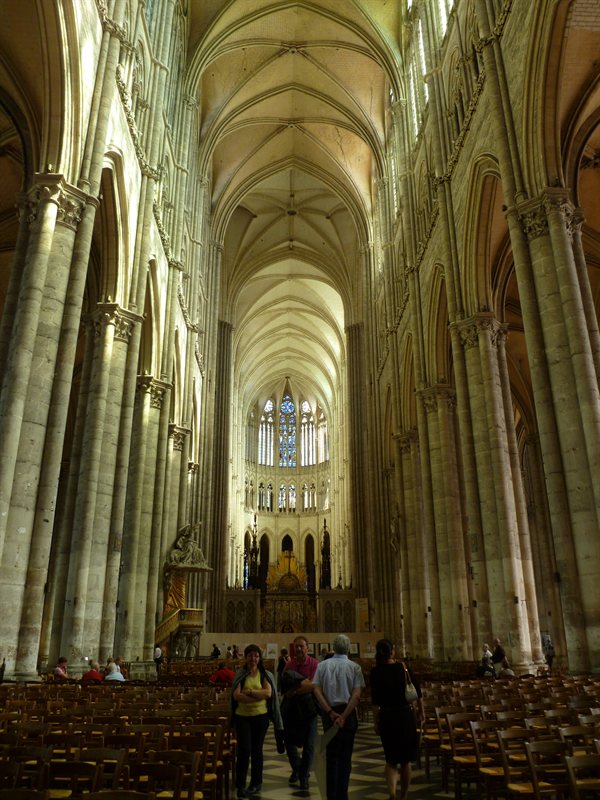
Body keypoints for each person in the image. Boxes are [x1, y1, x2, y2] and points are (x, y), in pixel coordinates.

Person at [312, 633, 365, 800]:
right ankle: (343, 795)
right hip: (347, 715)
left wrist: (329, 711)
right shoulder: (355, 667)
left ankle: (331, 796)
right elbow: (356, 696)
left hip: (330, 714)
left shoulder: (322, 666)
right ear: (348, 648)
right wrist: (344, 715)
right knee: (345, 757)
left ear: (333, 648)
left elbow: (316, 690)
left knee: (331, 756)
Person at [370, 639, 424, 800]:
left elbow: (374, 702)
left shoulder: (375, 672)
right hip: (405, 716)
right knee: (406, 761)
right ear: (392, 651)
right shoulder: (403, 667)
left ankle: (392, 792)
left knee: (391, 759)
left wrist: (376, 722)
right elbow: (418, 691)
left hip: (387, 717)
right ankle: (404, 795)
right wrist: (421, 711)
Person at [231, 644, 283, 799]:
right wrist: (255, 696)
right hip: (242, 717)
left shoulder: (265, 674)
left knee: (257, 750)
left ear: (259, 658)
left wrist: (250, 692)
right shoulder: (240, 674)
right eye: (250, 655)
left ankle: (256, 782)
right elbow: (237, 696)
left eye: (256, 655)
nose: (253, 658)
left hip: (261, 717)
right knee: (244, 750)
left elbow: (268, 693)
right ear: (245, 657)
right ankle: (241, 784)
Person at [281, 635, 319, 790]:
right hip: (292, 710)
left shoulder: (315, 664)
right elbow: (284, 689)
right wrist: (304, 684)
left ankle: (303, 776)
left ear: (307, 648)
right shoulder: (289, 665)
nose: (298, 649)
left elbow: (315, 686)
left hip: (309, 709)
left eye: (301, 646)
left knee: (309, 745)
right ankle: (297, 768)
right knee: (289, 742)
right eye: (296, 646)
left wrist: (297, 688)